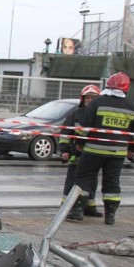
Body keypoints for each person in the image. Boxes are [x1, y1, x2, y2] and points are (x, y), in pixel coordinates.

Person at [68, 72, 134, 225]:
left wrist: (79, 143)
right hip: (118, 152)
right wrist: (132, 149)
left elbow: (83, 127)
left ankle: (77, 212)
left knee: (83, 179)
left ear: (108, 85)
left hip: (93, 150)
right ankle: (110, 216)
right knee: (112, 183)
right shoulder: (132, 107)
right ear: (126, 88)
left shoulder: (97, 103)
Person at [58, 84, 102, 217]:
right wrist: (65, 150)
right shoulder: (74, 115)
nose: (90, 100)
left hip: (92, 154)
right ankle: (67, 207)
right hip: (75, 154)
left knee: (92, 182)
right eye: (88, 98)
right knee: (73, 181)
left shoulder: (100, 116)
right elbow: (65, 133)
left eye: (93, 98)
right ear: (82, 99)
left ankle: (89, 207)